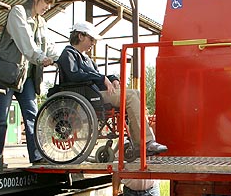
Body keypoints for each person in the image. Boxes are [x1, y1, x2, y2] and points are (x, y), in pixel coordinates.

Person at [57, 21, 167, 156]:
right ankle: (145, 142)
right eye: (91, 39)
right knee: (131, 96)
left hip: (95, 92)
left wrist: (113, 78)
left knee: (136, 93)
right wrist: (102, 78)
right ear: (80, 36)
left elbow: (96, 74)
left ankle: (140, 141)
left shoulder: (87, 59)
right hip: (86, 95)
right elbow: (74, 75)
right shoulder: (68, 54)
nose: (93, 43)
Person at [0, 0, 58, 163]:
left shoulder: (42, 22)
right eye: (45, 2)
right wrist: (41, 58)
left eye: (50, 5)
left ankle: (37, 156)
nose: (47, 8)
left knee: (33, 116)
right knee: (0, 119)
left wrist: (60, 58)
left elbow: (48, 46)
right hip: (6, 74)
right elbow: (25, 42)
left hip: (26, 76)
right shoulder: (17, 12)